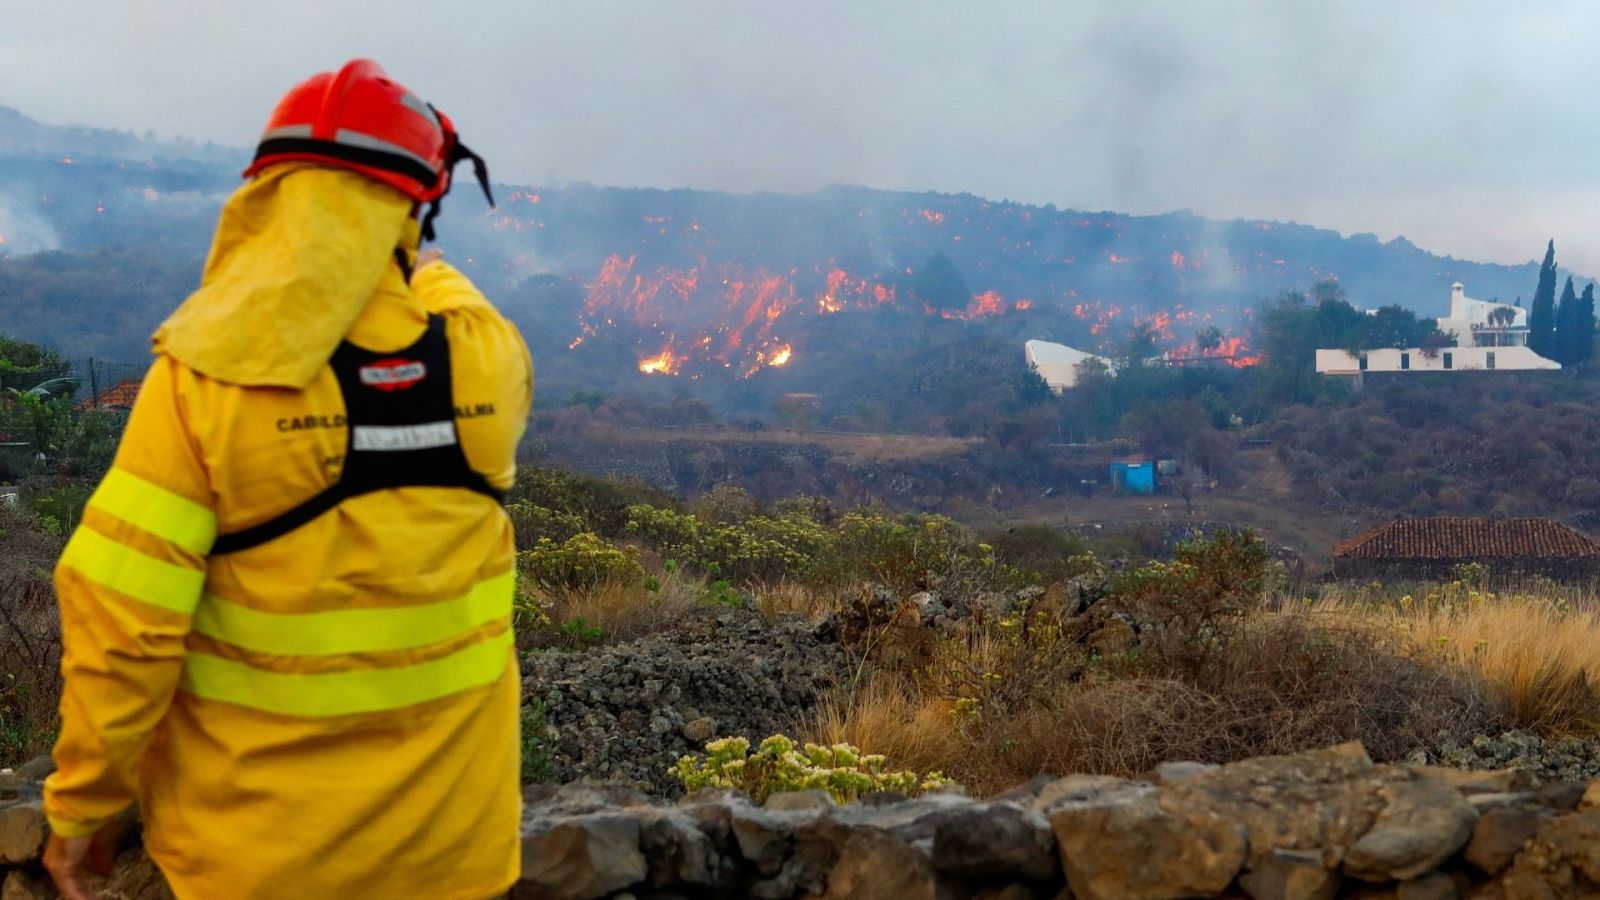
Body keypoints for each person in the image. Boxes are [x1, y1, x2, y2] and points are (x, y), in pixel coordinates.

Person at [41, 60, 531, 899]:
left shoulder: (203, 380)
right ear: (414, 206)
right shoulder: (486, 360)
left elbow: (125, 629)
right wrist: (403, 231)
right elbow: (436, 285)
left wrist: (85, 805)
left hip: (258, 862)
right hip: (458, 857)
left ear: (267, 193)